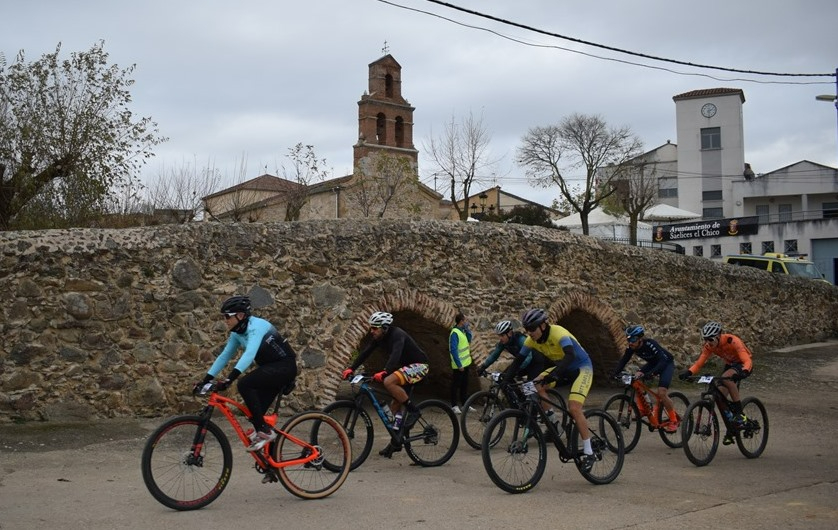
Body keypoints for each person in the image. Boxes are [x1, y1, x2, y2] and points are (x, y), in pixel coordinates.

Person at [193, 295, 298, 452]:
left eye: (227, 316)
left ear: (240, 315)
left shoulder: (256, 327)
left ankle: (265, 432)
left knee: (244, 384)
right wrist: (205, 379)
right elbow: (224, 356)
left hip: (284, 367)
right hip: (270, 369)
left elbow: (249, 354)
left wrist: (230, 379)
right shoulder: (237, 333)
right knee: (255, 414)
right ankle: (271, 464)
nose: (225, 320)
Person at [341, 311, 430, 458]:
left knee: (389, 381)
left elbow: (396, 354)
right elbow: (365, 353)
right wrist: (352, 368)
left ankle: (414, 411)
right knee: (395, 405)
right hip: (405, 369)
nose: (372, 331)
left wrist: (385, 371)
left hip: (419, 365)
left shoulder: (397, 335)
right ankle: (395, 442)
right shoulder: (379, 338)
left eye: (375, 328)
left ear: (385, 327)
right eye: (371, 328)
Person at [518, 308, 596, 468]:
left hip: (581, 367)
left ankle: (589, 451)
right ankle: (554, 423)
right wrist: (505, 379)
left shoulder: (558, 333)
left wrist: (554, 374)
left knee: (574, 408)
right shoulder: (530, 340)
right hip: (563, 368)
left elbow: (570, 355)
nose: (529, 333)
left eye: (532, 329)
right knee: (535, 384)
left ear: (543, 326)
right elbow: (517, 361)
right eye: (526, 329)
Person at [679, 321, 754, 445]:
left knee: (726, 377)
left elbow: (746, 360)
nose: (708, 342)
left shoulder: (732, 340)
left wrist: (745, 371)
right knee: (720, 395)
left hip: (743, 364)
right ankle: (731, 429)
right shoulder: (709, 346)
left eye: (710, 339)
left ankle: (740, 414)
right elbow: (699, 363)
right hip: (730, 365)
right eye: (705, 339)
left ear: (719, 336)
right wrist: (689, 372)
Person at [610, 325, 679, 432]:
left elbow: (662, 362)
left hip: (666, 364)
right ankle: (643, 409)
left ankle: (673, 420)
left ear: (640, 338)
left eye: (633, 339)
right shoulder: (631, 347)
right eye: (628, 339)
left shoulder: (650, 344)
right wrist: (614, 373)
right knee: (636, 378)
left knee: (661, 393)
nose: (630, 342)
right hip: (653, 364)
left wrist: (652, 373)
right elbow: (623, 360)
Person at [448, 312, 473, 414]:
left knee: (464, 385)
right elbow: (453, 350)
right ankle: (454, 405)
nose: (466, 322)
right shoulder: (454, 333)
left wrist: (468, 331)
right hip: (459, 366)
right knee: (456, 385)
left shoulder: (462, 331)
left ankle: (465, 404)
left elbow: (469, 340)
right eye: (465, 320)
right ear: (461, 321)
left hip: (466, 363)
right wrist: (459, 365)